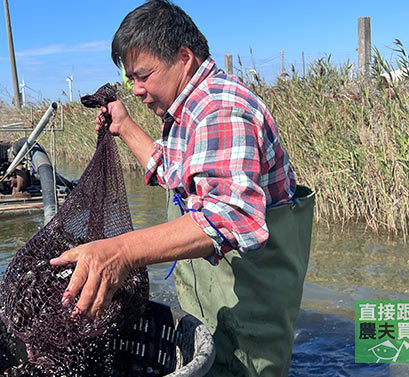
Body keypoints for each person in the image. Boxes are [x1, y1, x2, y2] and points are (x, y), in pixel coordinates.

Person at [50, 1, 315, 376]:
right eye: (131, 81)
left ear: (184, 57)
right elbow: (172, 173)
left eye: (144, 76)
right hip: (216, 296)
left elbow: (233, 215)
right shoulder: (188, 108)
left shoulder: (220, 109)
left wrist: (122, 252)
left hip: (251, 303)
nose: (138, 90)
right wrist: (124, 126)